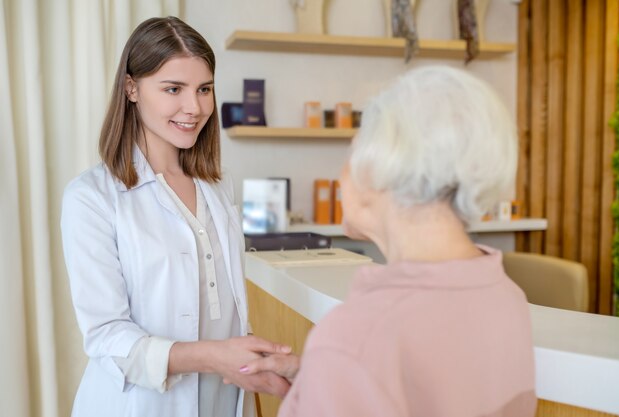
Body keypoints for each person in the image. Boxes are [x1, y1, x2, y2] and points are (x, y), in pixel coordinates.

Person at [241, 66, 537, 416]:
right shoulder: (507, 296)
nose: (341, 177)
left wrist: (336, 368)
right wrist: (321, 377)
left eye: (351, 152)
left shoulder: (357, 337)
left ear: (382, 168)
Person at [61, 16, 291, 417]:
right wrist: (214, 357)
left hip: (219, 402)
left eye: (204, 89)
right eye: (173, 89)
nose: (195, 107)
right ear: (131, 88)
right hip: (138, 406)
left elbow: (222, 312)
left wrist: (247, 361)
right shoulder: (92, 198)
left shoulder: (218, 187)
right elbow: (106, 336)